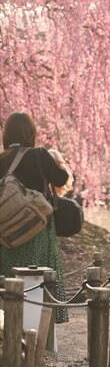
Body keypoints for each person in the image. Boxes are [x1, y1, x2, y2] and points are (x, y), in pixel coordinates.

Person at [0, 112, 71, 322]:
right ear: (31, 133)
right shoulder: (40, 155)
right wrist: (59, 163)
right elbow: (61, 179)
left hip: (7, 232)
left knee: (9, 275)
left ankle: (9, 325)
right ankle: (42, 329)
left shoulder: (2, 160)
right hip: (37, 227)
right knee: (40, 275)